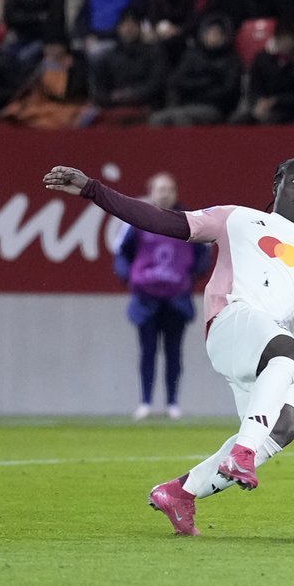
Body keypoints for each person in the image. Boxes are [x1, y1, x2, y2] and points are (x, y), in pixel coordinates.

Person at [42, 155, 294, 537]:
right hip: (234, 323)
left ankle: (179, 493)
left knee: (283, 428)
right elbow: (163, 221)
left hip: (268, 349)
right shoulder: (236, 218)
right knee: (291, 356)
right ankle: (242, 453)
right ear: (277, 185)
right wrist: (93, 189)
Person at [115, 173, 212, 421]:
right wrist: (131, 278)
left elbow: (203, 254)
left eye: (169, 189)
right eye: (160, 189)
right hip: (145, 298)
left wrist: (188, 278)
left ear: (175, 192)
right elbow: (122, 253)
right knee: (147, 351)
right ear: (151, 192)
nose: (165, 193)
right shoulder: (136, 219)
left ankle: (172, 403)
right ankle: (145, 402)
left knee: (173, 352)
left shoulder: (189, 220)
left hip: (176, 298)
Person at [150, 15, 243, 126]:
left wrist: (197, 91)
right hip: (187, 103)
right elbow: (177, 80)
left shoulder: (231, 60)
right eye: (209, 33)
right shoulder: (192, 56)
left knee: (181, 117)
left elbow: (227, 91)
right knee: (156, 118)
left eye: (216, 34)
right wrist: (206, 83)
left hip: (214, 107)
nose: (212, 37)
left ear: (225, 37)